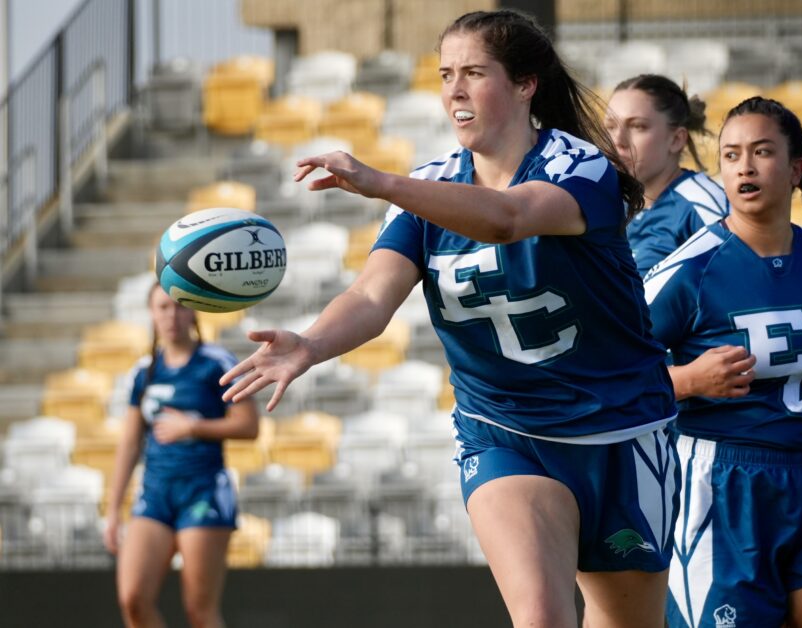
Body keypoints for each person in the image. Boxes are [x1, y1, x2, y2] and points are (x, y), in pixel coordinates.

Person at [221, 10, 678, 627]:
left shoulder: (582, 167)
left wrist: (382, 182)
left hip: (620, 431)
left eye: (473, 73)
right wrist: (310, 343)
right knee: (541, 618)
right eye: (444, 75)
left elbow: (506, 219)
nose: (454, 90)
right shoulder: (425, 187)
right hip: (504, 431)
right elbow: (371, 297)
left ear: (525, 85)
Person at [643, 97, 802, 627]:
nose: (745, 166)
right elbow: (603, 380)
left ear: (796, 169)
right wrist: (690, 379)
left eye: (762, 152)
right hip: (721, 487)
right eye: (732, 154)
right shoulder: (688, 271)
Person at [103, 283, 259, 628]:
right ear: (151, 313)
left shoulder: (215, 362)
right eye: (162, 308)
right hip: (155, 494)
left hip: (202, 491)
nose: (171, 316)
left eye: (179, 307)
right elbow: (129, 443)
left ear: (193, 311)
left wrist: (194, 427)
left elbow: (249, 425)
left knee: (199, 610)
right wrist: (113, 510)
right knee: (133, 600)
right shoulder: (144, 372)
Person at [604, 74, 730, 277]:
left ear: (676, 139)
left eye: (637, 126)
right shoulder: (608, 204)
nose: (618, 140)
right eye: (610, 126)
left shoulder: (703, 209)